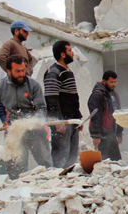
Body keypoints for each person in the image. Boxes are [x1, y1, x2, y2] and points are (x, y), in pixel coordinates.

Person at [0, 55, 52, 179]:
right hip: (14, 131)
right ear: (9, 71)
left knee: (46, 165)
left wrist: (38, 120)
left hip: (34, 129)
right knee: (15, 168)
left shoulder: (33, 85)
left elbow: (41, 107)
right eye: (17, 71)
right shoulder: (0, 87)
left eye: (23, 70)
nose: (21, 74)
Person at [44, 40, 82, 168]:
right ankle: (58, 180)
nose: (72, 53)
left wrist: (78, 119)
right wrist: (58, 121)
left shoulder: (67, 71)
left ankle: (69, 183)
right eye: (69, 50)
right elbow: (51, 98)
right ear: (62, 54)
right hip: (62, 121)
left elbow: (73, 97)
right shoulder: (53, 72)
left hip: (72, 121)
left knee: (72, 156)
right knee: (61, 155)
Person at [0, 21, 36, 127]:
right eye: (24, 31)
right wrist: (12, 73)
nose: (27, 34)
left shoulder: (23, 47)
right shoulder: (10, 44)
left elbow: (32, 60)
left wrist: (27, 71)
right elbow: (0, 57)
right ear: (16, 31)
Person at [88, 70, 123, 160]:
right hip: (102, 135)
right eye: (111, 82)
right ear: (104, 81)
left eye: (115, 82)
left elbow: (119, 114)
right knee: (103, 162)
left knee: (117, 162)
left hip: (111, 133)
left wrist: (119, 132)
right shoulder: (97, 95)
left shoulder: (114, 95)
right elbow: (95, 116)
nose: (114, 84)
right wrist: (96, 136)